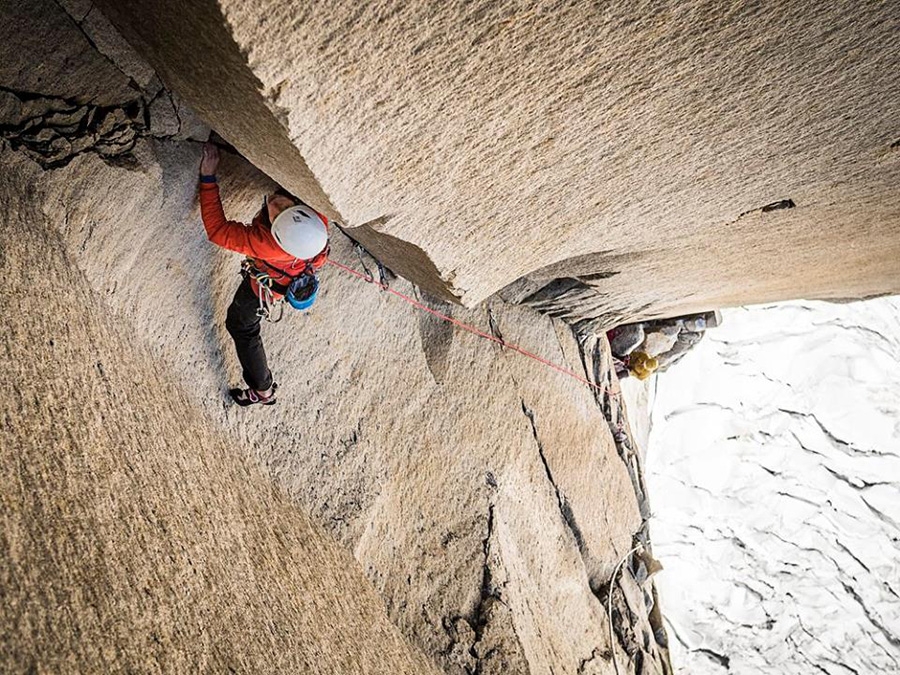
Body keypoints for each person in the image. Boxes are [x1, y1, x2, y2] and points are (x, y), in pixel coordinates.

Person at [198, 142, 329, 407]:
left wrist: (208, 178)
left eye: (278, 214)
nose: (277, 203)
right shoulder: (317, 224)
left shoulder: (266, 243)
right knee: (243, 328)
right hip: (293, 274)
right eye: (285, 209)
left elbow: (219, 231)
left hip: (264, 288)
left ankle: (263, 390)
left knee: (241, 326)